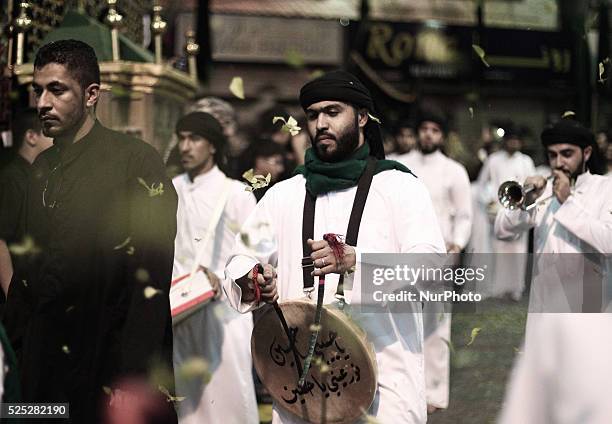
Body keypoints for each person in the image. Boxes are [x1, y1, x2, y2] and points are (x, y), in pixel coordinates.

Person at [223, 70, 445, 423]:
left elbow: (432, 268)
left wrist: (358, 261)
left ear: (360, 117)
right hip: (302, 385)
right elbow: (239, 259)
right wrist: (255, 276)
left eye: (332, 112)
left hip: (385, 379)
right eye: (312, 115)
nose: (321, 123)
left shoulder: (400, 187)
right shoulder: (285, 193)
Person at [2, 39, 178, 423]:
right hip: (44, 370)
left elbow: (150, 278)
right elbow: (27, 277)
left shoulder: (136, 163)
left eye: (57, 89)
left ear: (91, 94)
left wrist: (131, 376)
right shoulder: (41, 169)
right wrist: (16, 354)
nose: (42, 103)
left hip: (107, 366)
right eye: (38, 91)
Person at [495, 117, 612, 422]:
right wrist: (526, 198)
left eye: (567, 154)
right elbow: (503, 231)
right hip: (543, 309)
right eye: (552, 155)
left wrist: (568, 202)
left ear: (586, 154)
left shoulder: (605, 189)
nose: (559, 162)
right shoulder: (543, 191)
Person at [171, 111, 258, 424]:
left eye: (194, 139)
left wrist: (221, 278)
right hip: (181, 308)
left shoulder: (237, 193)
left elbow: (257, 251)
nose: (185, 146)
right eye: (181, 138)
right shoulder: (170, 189)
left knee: (230, 397)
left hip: (226, 311)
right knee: (187, 401)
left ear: (212, 146)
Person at [396, 110, 472, 412]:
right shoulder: (399, 166)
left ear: (442, 135)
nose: (428, 134)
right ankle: (403, 388)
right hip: (402, 253)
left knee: (436, 328)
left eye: (434, 130)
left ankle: (434, 395)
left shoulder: (454, 170)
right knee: (401, 323)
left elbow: (464, 214)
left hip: (439, 254)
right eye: (424, 129)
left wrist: (458, 243)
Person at [476, 126, 536, 300]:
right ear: (505, 142)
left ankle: (515, 288)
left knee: (518, 251)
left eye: (517, 140)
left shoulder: (526, 161)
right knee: (498, 250)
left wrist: (525, 200)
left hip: (518, 212)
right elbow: (481, 183)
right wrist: (489, 200)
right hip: (498, 212)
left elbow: (532, 186)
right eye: (511, 140)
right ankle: (498, 288)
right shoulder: (493, 160)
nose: (514, 143)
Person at [0, 108, 53, 299]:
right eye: (50, 133)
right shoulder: (12, 179)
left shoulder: (36, 176)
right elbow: (1, 239)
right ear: (31, 136)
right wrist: (10, 293)